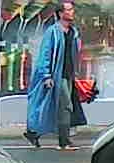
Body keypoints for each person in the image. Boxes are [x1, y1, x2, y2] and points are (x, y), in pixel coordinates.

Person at [24, 2, 85, 150]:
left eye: (72, 9)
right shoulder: (53, 32)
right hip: (57, 75)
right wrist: (46, 75)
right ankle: (64, 141)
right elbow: (45, 53)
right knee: (65, 106)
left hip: (68, 74)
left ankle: (33, 133)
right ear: (60, 13)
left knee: (53, 107)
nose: (72, 12)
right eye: (69, 10)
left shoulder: (73, 32)